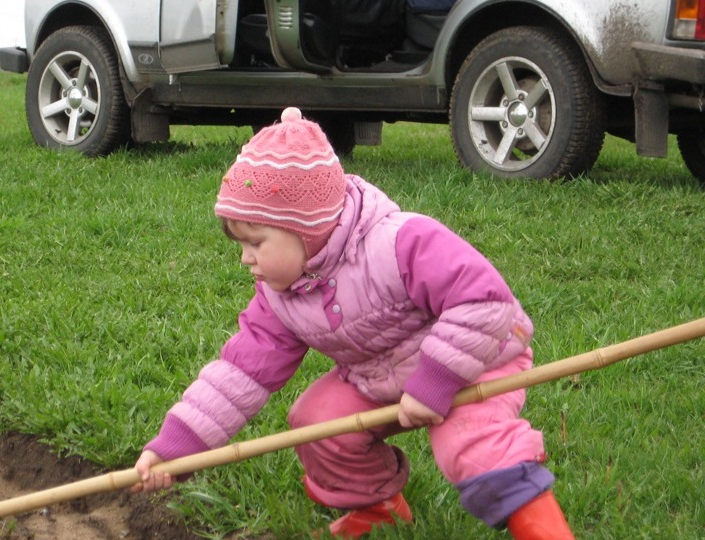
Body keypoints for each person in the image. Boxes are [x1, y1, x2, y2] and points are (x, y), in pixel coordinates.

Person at [132, 107, 574, 539]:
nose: (245, 257)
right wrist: (177, 448)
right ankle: (379, 508)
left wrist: (435, 380)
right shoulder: (279, 296)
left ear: (306, 228)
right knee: (317, 424)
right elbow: (238, 374)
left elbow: (485, 301)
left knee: (473, 451)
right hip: (383, 376)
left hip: (478, 359)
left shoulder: (401, 242)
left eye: (256, 242)